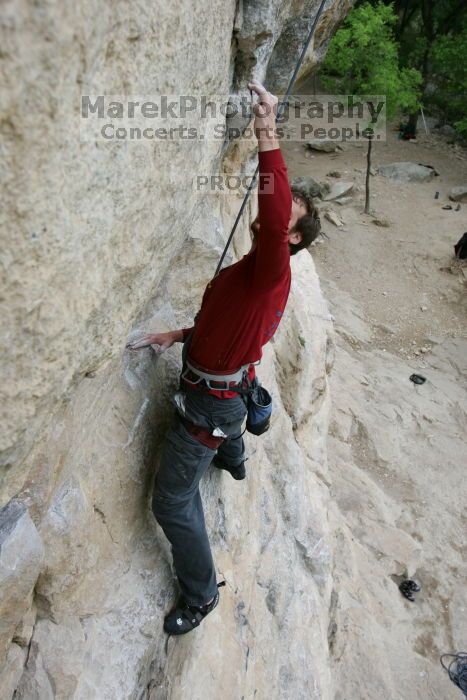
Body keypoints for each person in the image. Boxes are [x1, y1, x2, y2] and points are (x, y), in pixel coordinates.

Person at [127, 81, 321, 635]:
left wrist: (267, 129)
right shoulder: (251, 274)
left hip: (210, 406)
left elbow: (275, 199)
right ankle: (234, 456)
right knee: (230, 406)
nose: (272, 214)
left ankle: (202, 591)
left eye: (285, 217)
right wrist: (179, 334)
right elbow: (225, 328)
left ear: (292, 240)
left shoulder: (270, 270)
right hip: (225, 386)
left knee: (171, 501)